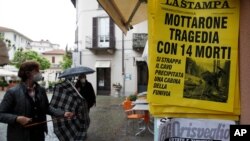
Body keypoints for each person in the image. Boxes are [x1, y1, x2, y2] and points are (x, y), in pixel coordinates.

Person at [0, 61, 74, 141]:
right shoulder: (13, 92)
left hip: (39, 135)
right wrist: (17, 118)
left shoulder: (41, 90)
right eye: (37, 71)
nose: (39, 73)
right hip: (19, 136)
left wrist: (63, 113)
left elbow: (47, 108)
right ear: (28, 74)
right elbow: (1, 114)